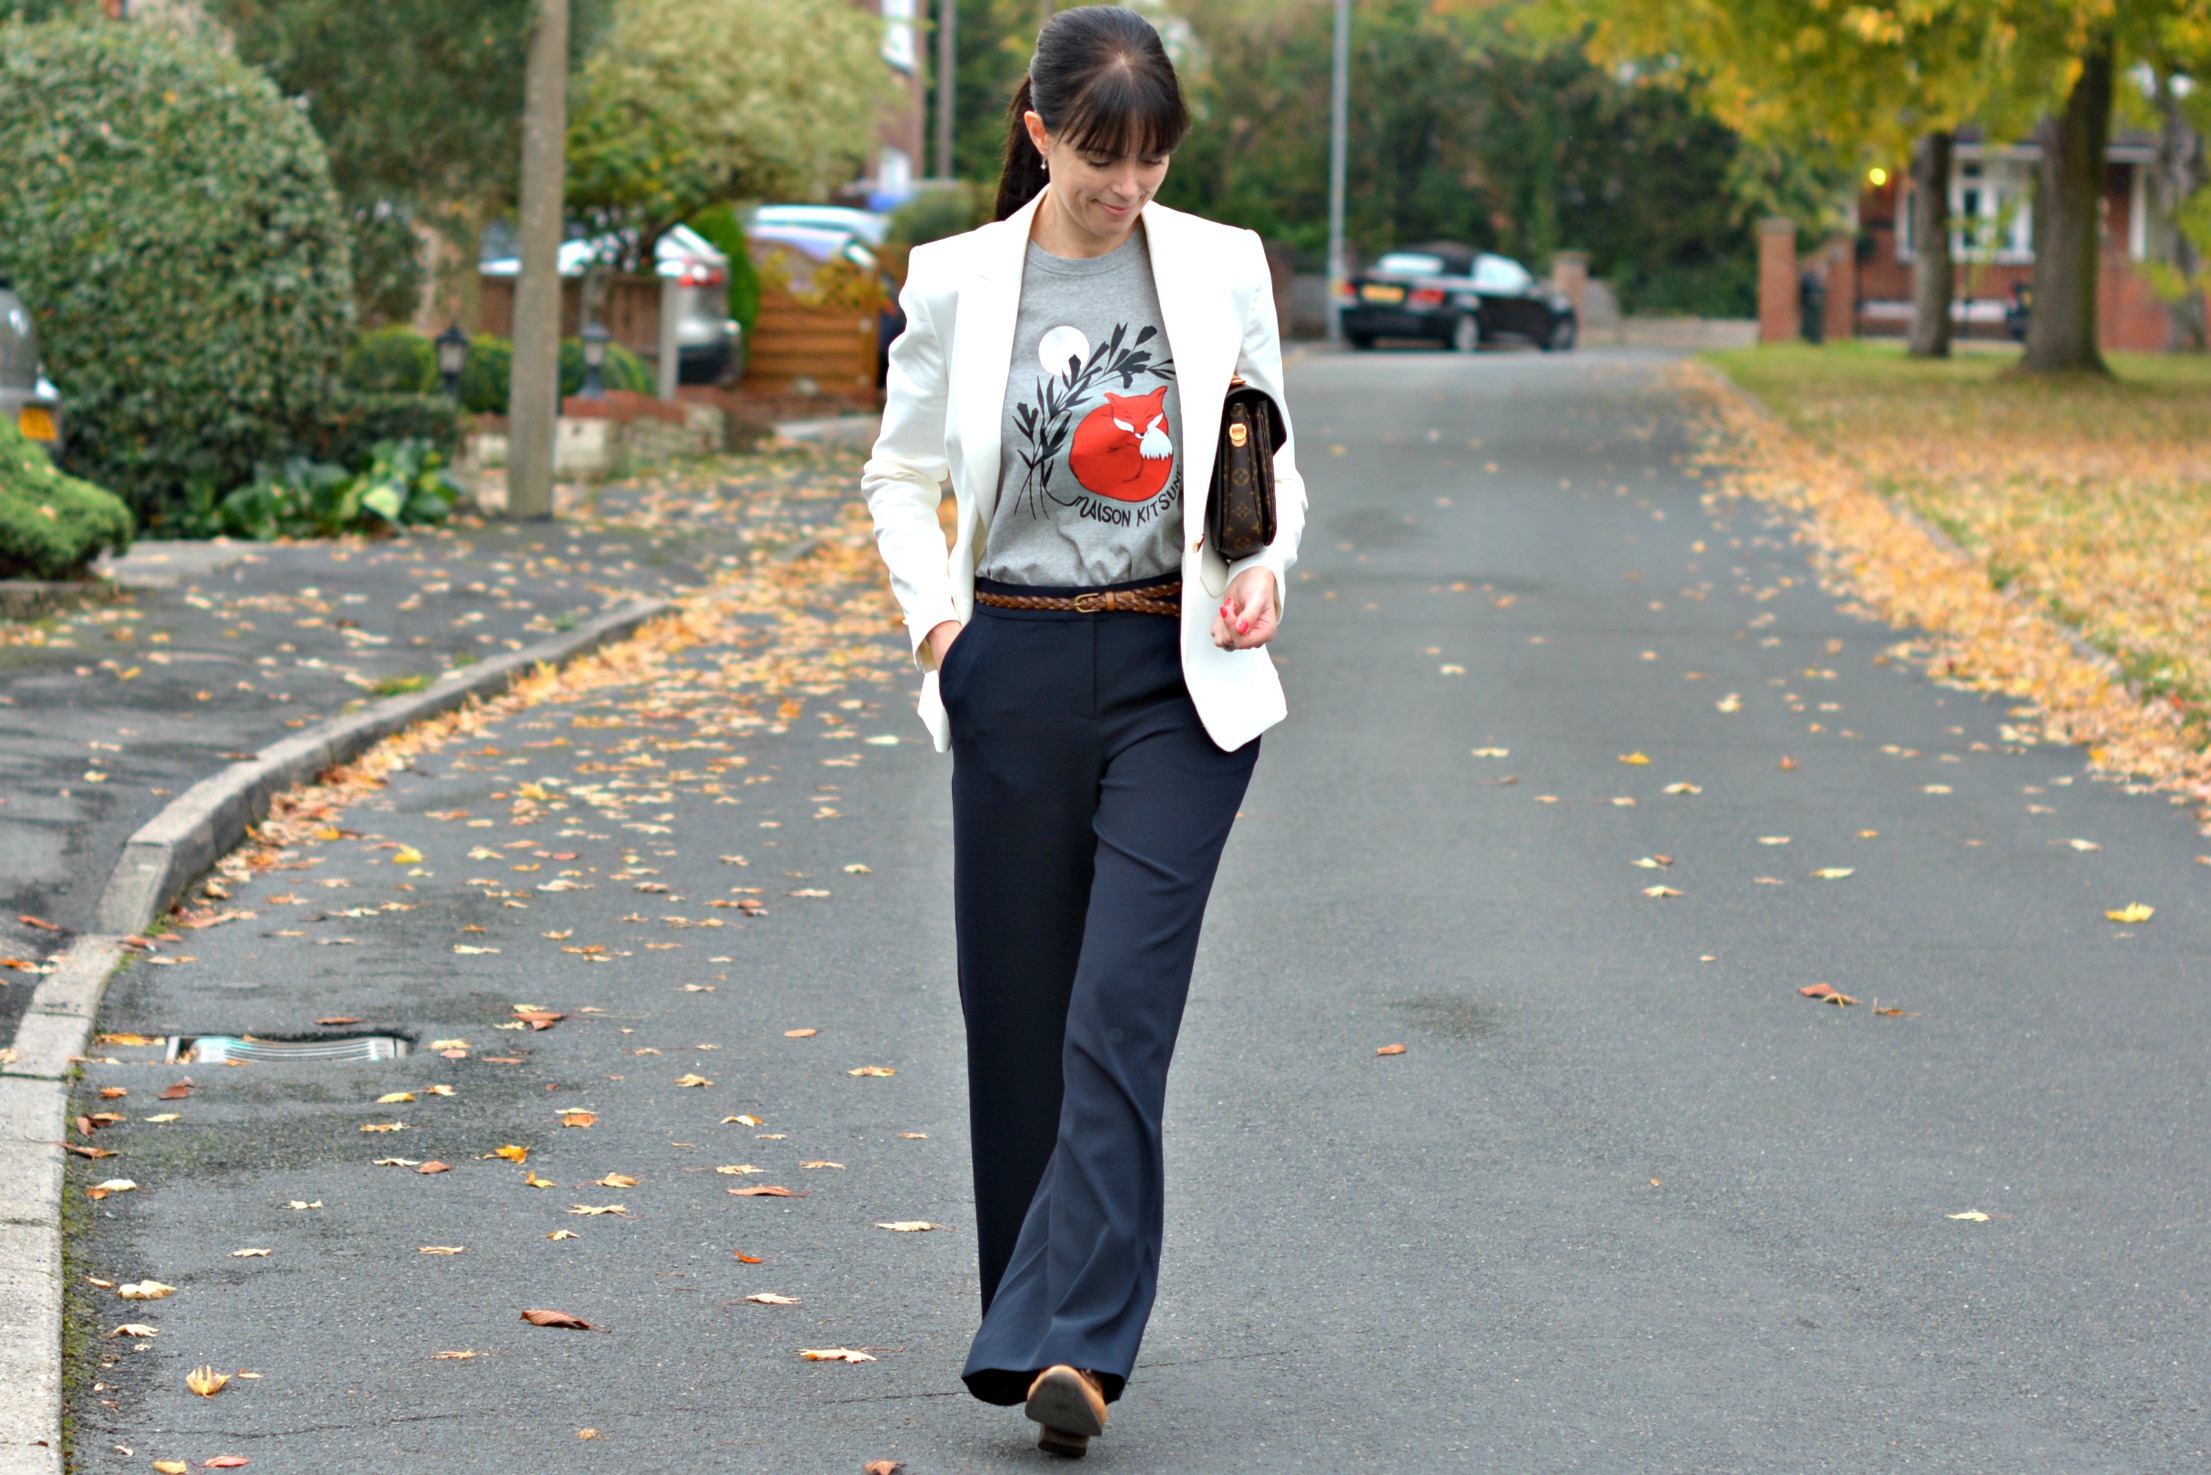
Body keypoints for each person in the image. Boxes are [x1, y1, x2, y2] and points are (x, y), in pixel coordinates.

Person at [860, 5, 1306, 1458]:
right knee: (1020, 1021)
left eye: (1153, 162)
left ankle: (1081, 1347)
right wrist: (940, 631)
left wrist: (1262, 572)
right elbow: (896, 477)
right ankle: (1033, 1323)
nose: (1128, 192)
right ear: (1040, 130)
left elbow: (1265, 456)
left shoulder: (1222, 265)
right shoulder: (956, 282)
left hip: (1181, 685)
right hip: (1018, 663)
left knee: (1120, 1006)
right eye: (1103, 161)